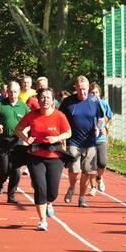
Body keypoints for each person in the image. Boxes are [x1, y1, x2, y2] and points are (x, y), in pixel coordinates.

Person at [15, 88, 72, 231]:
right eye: (42, 97)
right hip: (35, 155)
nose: (45, 100)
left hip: (54, 156)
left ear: (53, 101)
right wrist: (26, 138)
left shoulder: (59, 116)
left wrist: (56, 138)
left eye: (48, 97)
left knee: (52, 192)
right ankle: (42, 220)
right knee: (40, 187)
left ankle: (49, 202)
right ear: (38, 100)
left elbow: (68, 132)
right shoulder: (31, 115)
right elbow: (18, 129)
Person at [59, 75, 103, 208]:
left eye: (84, 89)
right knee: (74, 170)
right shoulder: (68, 102)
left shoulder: (94, 101)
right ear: (75, 88)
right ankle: (72, 187)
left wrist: (98, 127)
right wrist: (62, 135)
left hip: (90, 141)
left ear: (88, 88)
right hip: (73, 141)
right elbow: (59, 117)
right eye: (79, 90)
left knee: (87, 172)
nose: (82, 92)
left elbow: (101, 118)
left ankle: (82, 197)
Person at [0, 81, 29, 203]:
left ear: (19, 92)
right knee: (4, 169)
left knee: (16, 170)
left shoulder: (23, 107)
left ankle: (11, 195)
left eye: (15, 91)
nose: (12, 94)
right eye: (10, 91)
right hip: (3, 140)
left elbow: (30, 122)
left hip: (17, 142)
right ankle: (1, 182)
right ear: (7, 92)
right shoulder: (0, 105)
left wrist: (25, 131)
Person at [87, 82, 113, 196]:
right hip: (88, 139)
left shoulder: (104, 104)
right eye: (92, 93)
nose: (94, 95)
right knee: (91, 165)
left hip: (101, 138)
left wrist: (106, 127)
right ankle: (93, 187)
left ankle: (99, 177)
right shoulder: (85, 105)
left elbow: (110, 117)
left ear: (99, 93)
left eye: (96, 92)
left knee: (102, 163)